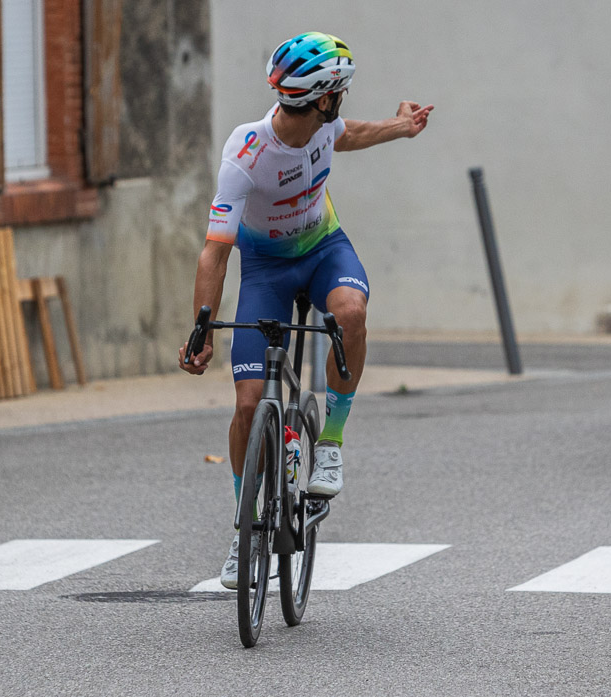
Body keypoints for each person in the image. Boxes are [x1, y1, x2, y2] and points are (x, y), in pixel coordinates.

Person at [178, 31, 433, 588]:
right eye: (339, 92)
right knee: (248, 404)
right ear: (322, 98)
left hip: (323, 249)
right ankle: (244, 528)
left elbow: (350, 134)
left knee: (350, 312)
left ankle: (332, 444)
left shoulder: (321, 125)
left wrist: (401, 126)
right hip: (266, 269)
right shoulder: (246, 154)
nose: (341, 101)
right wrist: (202, 326)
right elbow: (215, 250)